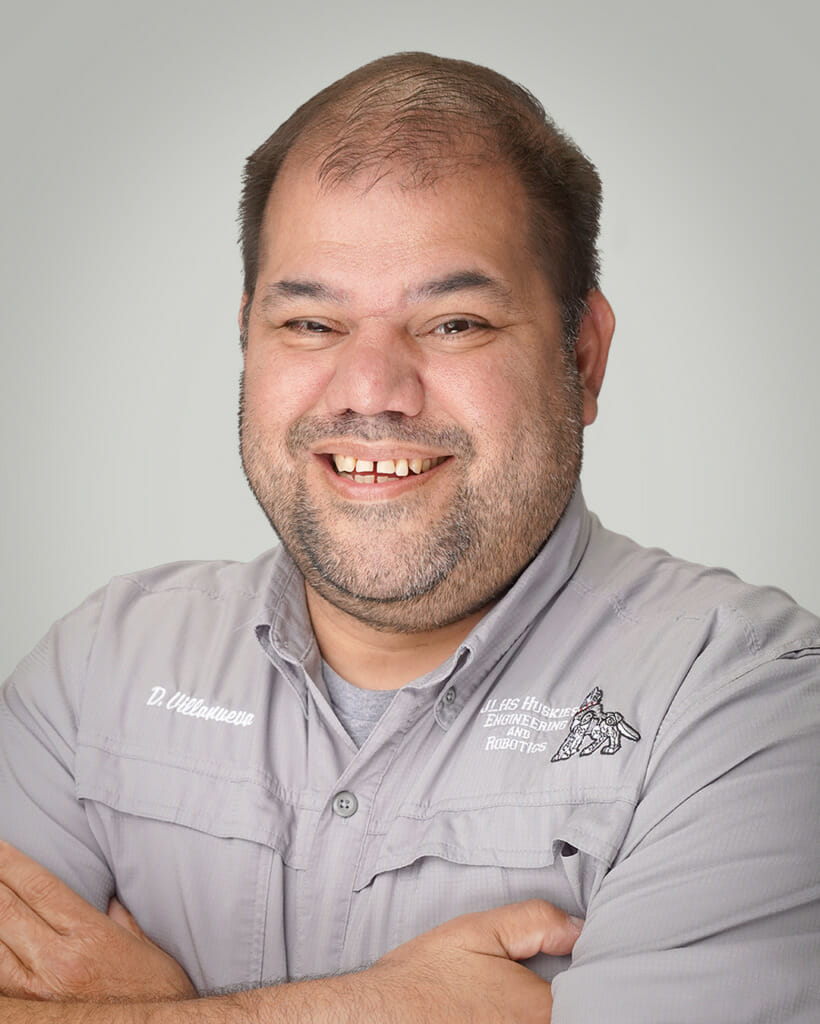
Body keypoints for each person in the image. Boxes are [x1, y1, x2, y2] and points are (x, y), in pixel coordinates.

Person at [0, 51, 817, 1024]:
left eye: (455, 323)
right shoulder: (98, 670)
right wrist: (376, 1008)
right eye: (311, 323)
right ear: (247, 337)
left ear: (583, 357)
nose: (371, 390)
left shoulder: (745, 700)